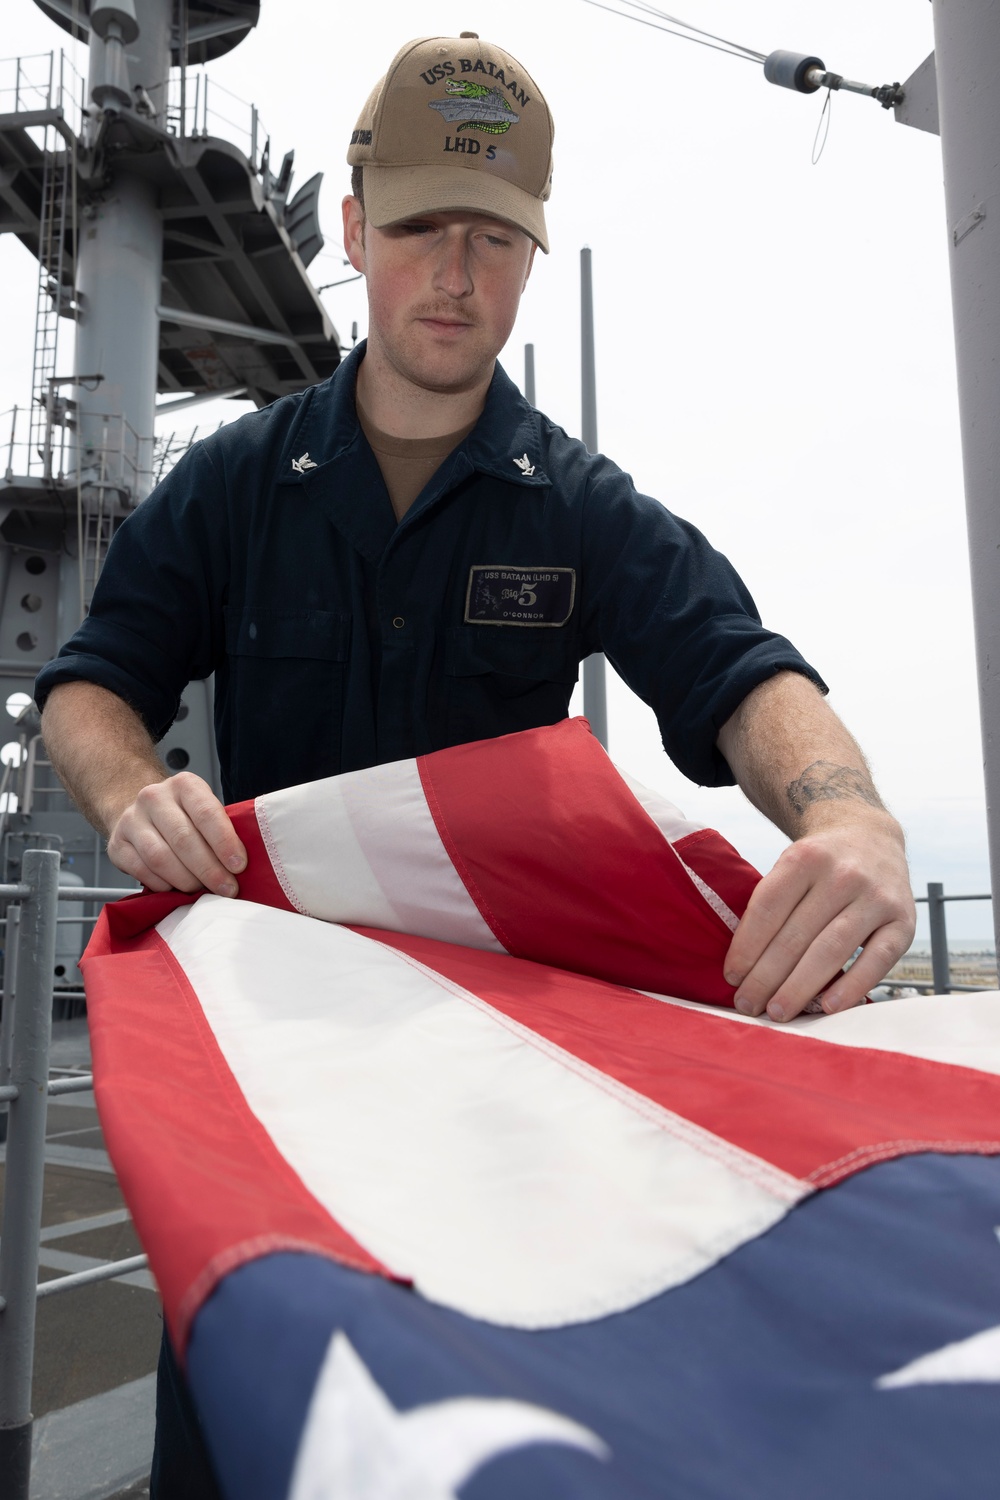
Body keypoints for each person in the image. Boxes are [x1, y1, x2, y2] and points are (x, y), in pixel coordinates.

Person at [35, 32, 915, 1497]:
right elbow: (90, 686)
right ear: (356, 228)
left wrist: (856, 818)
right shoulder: (239, 485)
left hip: (495, 1101)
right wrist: (133, 796)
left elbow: (744, 667)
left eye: (498, 237)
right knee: (247, 1425)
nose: (459, 272)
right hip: (279, 1082)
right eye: (430, 226)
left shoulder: (575, 506)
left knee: (476, 1435)